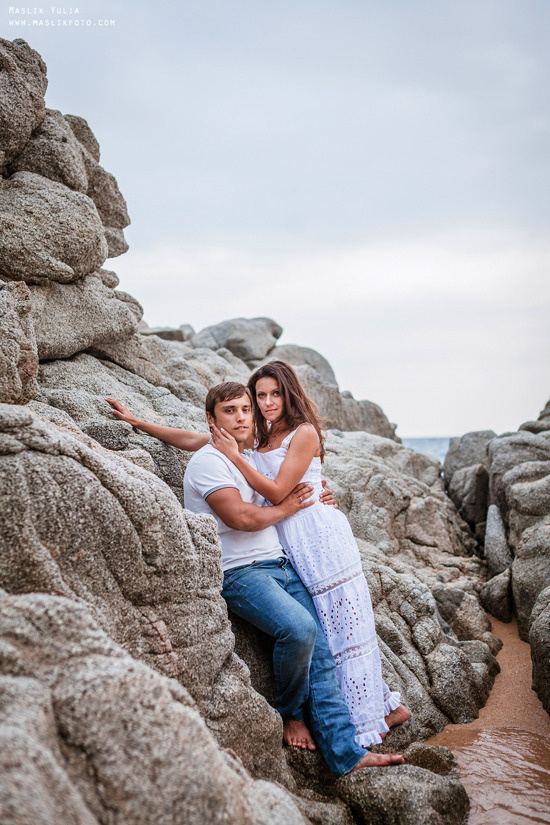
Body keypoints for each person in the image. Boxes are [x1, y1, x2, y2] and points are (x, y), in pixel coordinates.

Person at [106, 385, 404, 775]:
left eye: (247, 409)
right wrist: (287, 507)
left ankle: (347, 754)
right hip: (239, 572)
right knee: (299, 630)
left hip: (281, 563)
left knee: (321, 651)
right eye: (231, 410)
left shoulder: (248, 453)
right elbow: (241, 518)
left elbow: (188, 437)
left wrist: (139, 421)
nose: (243, 417)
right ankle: (290, 714)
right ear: (212, 419)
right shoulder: (209, 461)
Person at [209, 361, 409, 748]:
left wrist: (234, 458)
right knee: (325, 627)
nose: (268, 402)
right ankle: (380, 704)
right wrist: (141, 422)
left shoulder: (303, 432)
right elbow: (200, 439)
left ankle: (368, 715)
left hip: (319, 536)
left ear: (289, 393)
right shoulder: (260, 433)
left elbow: (277, 492)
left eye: (275, 394)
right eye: (260, 395)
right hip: (291, 540)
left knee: (342, 626)